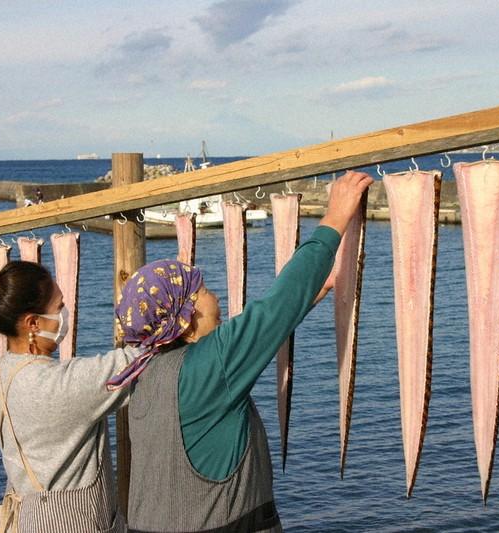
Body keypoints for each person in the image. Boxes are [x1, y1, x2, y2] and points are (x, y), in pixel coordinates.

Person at [109, 170, 374, 532]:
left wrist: (302, 301)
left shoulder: (146, 373)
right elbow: (272, 307)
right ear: (185, 318)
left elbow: (268, 321)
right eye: (202, 290)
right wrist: (334, 218)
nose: (215, 296)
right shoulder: (208, 366)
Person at [0, 260, 137, 532]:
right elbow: (136, 362)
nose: (65, 314)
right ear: (33, 323)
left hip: (28, 519)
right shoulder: (58, 385)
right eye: (59, 307)